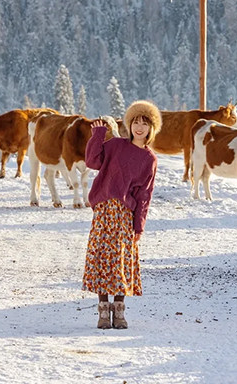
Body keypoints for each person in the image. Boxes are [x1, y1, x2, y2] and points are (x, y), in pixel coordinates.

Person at [82, 99, 160, 329]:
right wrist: (98, 135)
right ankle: (103, 312)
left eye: (144, 123)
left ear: (151, 128)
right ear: (129, 124)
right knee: (102, 258)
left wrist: (139, 226)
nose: (139, 127)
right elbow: (92, 161)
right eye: (135, 121)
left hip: (125, 215)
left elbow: (145, 195)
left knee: (121, 261)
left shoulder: (149, 159)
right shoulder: (115, 145)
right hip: (105, 211)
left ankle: (119, 310)